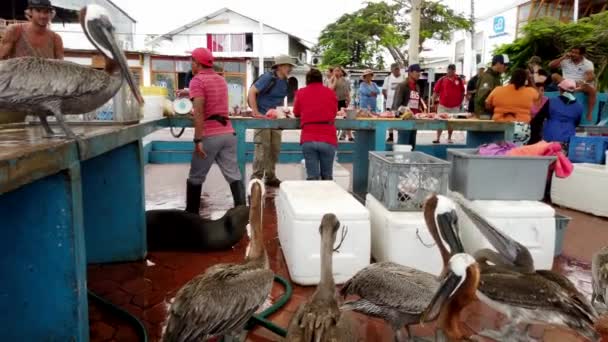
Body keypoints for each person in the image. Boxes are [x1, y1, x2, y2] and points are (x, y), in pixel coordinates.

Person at [185, 48, 245, 214]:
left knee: (196, 178)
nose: (191, 64)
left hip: (210, 136)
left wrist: (198, 140)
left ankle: (191, 218)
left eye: (192, 61)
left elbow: (198, 112)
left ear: (197, 63)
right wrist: (188, 93)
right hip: (228, 134)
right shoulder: (220, 79)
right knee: (234, 175)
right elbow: (213, 98)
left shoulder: (197, 81)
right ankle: (242, 213)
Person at [247, 55, 296, 187]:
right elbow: (252, 92)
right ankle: (256, 179)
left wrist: (283, 112)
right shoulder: (268, 78)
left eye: (290, 66)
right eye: (288, 66)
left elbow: (278, 101)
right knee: (262, 148)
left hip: (276, 119)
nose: (290, 68)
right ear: (279, 66)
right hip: (262, 118)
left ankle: (270, 176)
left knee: (274, 149)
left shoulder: (285, 81)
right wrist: (255, 112)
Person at [293, 69, 338, 180]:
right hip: (328, 138)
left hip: (308, 138)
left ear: (307, 80)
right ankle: (327, 196)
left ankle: (313, 196)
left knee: (312, 178)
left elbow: (296, 112)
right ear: (321, 80)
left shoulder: (301, 92)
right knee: (327, 177)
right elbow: (334, 112)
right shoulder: (330, 92)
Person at [485, 68, 539, 144]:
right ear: (525, 80)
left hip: (499, 126)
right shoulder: (531, 92)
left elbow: (487, 105)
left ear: (511, 78)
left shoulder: (498, 90)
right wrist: (531, 80)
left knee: (499, 150)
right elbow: (539, 97)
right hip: (521, 128)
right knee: (517, 152)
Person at [529, 79, 583, 148]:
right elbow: (576, 123)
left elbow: (537, 120)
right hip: (568, 142)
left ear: (560, 90)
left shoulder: (551, 102)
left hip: (550, 141)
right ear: (574, 92)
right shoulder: (579, 106)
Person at [432, 64, 465, 144]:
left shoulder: (459, 80)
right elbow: (436, 92)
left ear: (455, 70)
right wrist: (433, 102)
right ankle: (437, 138)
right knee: (440, 122)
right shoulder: (442, 79)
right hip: (443, 105)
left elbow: (462, 92)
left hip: (455, 106)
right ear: (447, 70)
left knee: (452, 122)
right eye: (449, 69)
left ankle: (449, 138)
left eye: (452, 69)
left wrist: (461, 102)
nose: (451, 71)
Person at [383, 63, 405, 142]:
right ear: (391, 70)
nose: (397, 71)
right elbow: (384, 90)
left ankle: (401, 136)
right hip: (390, 103)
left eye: (398, 69)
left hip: (400, 104)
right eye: (395, 69)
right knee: (390, 120)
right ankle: (391, 136)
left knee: (400, 119)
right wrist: (388, 99)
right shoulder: (388, 79)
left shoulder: (403, 78)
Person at [329, 67, 352, 141]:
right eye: (335, 70)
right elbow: (331, 89)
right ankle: (333, 135)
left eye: (338, 70)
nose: (337, 72)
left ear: (342, 72)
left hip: (343, 101)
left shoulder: (345, 81)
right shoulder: (331, 80)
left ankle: (347, 135)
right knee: (334, 119)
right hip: (333, 102)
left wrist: (348, 99)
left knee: (345, 118)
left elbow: (347, 91)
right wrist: (335, 80)